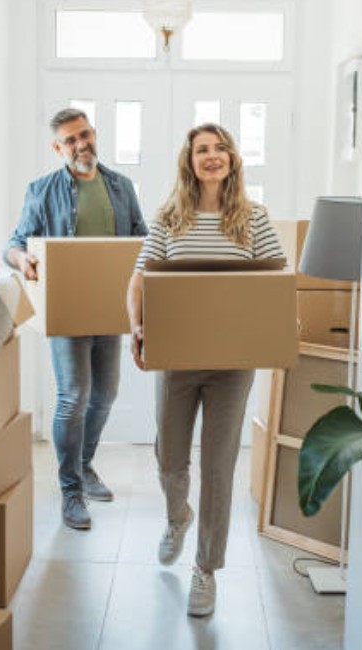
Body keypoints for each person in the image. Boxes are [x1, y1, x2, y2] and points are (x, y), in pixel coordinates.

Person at [125, 123, 284, 617]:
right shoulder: (170, 217)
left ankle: (206, 569)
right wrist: (137, 327)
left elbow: (276, 282)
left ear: (233, 159)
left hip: (232, 365)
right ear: (189, 161)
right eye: (202, 150)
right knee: (171, 456)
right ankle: (178, 517)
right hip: (177, 359)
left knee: (218, 467)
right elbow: (139, 279)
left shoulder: (253, 219)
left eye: (220, 149)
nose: (212, 156)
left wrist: (280, 325)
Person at [5, 108, 148, 530]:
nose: (81, 144)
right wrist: (22, 258)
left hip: (111, 308)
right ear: (58, 147)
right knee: (73, 397)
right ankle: (71, 490)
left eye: (84, 134)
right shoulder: (42, 189)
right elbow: (13, 243)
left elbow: (142, 237)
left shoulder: (121, 187)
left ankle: (84, 465)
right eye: (70, 140)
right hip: (67, 311)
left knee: (105, 394)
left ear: (94, 134)